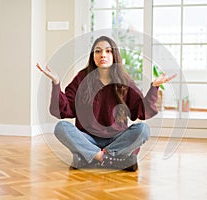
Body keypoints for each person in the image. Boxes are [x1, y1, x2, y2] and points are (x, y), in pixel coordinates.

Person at [37, 35, 176, 171]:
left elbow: (140, 111)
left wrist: (154, 87)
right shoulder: (81, 78)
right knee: (61, 127)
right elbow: (64, 109)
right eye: (98, 51)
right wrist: (56, 83)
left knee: (143, 130)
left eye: (108, 51)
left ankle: (90, 158)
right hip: (88, 138)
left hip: (116, 139)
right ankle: (113, 160)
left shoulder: (124, 80)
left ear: (114, 55)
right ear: (93, 56)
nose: (103, 54)